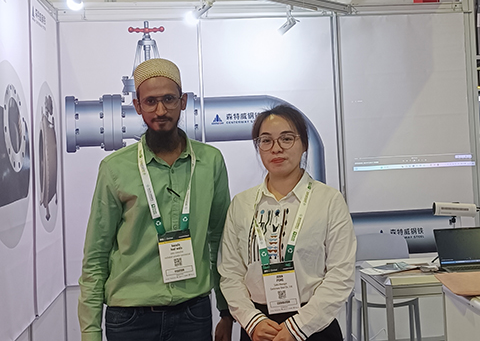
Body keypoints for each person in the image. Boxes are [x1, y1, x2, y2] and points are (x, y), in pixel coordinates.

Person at [78, 58, 233, 341]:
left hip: (193, 315)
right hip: (130, 319)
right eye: (150, 102)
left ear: (183, 101)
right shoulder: (115, 168)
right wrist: (90, 332)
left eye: (169, 99)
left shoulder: (210, 161)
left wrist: (226, 311)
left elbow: (220, 240)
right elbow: (96, 255)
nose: (160, 110)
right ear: (138, 106)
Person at [218, 105, 356, 341]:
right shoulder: (242, 204)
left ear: (304, 144)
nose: (276, 148)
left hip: (314, 327)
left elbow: (340, 274)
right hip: (259, 329)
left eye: (287, 138)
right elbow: (230, 273)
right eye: (266, 140)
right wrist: (252, 321)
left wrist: (298, 327)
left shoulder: (329, 200)